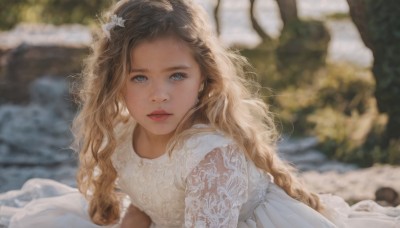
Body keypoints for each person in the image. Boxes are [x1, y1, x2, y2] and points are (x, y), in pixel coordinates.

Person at [0, 0, 399, 227]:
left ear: (204, 78)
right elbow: (143, 205)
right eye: (139, 78)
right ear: (113, 82)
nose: (159, 95)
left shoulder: (211, 156)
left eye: (176, 76)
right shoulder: (124, 136)